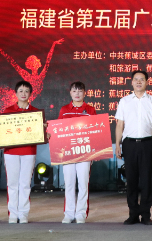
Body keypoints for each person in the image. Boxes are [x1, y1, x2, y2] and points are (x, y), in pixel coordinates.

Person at [114, 69, 152, 225]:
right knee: (131, 180)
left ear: (147, 82)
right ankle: (133, 214)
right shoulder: (124, 101)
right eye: (136, 79)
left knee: (146, 180)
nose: (139, 82)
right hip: (129, 144)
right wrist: (118, 144)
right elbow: (119, 124)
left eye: (142, 79)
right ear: (132, 82)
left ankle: (146, 215)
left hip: (147, 143)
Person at [0, 80, 42, 224]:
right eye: (21, 91)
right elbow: (2, 132)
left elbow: (40, 133)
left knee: (25, 184)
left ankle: (23, 213)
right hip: (11, 151)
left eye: (26, 91)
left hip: (29, 151)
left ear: (30, 94)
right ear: (16, 93)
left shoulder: (36, 113)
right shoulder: (8, 111)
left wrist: (44, 132)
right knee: (12, 183)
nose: (23, 94)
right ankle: (13, 213)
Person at [57, 81, 96, 224]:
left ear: (85, 93)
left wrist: (95, 152)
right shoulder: (64, 109)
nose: (77, 94)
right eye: (74, 91)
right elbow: (58, 130)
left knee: (83, 183)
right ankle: (68, 213)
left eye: (80, 91)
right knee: (69, 183)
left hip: (85, 153)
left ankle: (81, 214)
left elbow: (96, 131)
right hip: (68, 152)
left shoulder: (90, 110)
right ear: (70, 93)